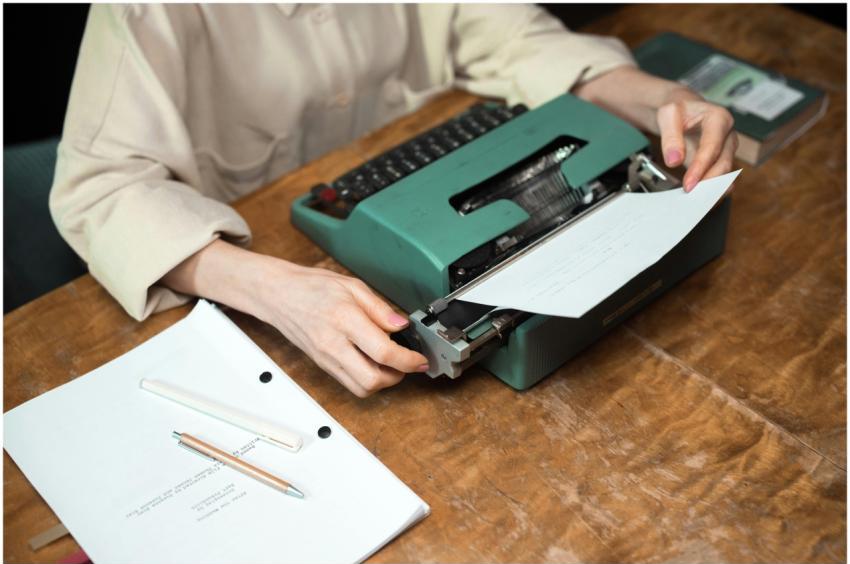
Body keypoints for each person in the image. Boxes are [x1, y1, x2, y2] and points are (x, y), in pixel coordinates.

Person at [50, 4, 737, 398]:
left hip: (437, 179)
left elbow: (511, 35)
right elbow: (102, 186)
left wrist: (654, 97)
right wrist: (274, 289)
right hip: (270, 261)